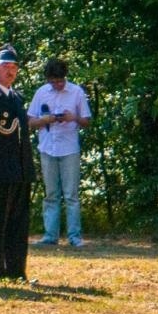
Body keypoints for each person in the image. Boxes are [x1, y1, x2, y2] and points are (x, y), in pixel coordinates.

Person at [0, 44, 34, 282]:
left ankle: (16, 270)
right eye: (5, 67)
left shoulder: (16, 97)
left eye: (14, 67)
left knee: (18, 222)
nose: (10, 72)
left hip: (20, 168)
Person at [28, 59, 91, 247]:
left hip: (69, 148)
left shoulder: (77, 92)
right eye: (53, 81)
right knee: (51, 194)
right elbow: (30, 122)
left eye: (60, 81)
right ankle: (50, 235)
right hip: (47, 147)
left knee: (71, 194)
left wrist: (73, 118)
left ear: (65, 77)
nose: (57, 85)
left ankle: (75, 237)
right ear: (48, 80)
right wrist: (45, 120)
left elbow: (87, 121)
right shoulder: (41, 93)